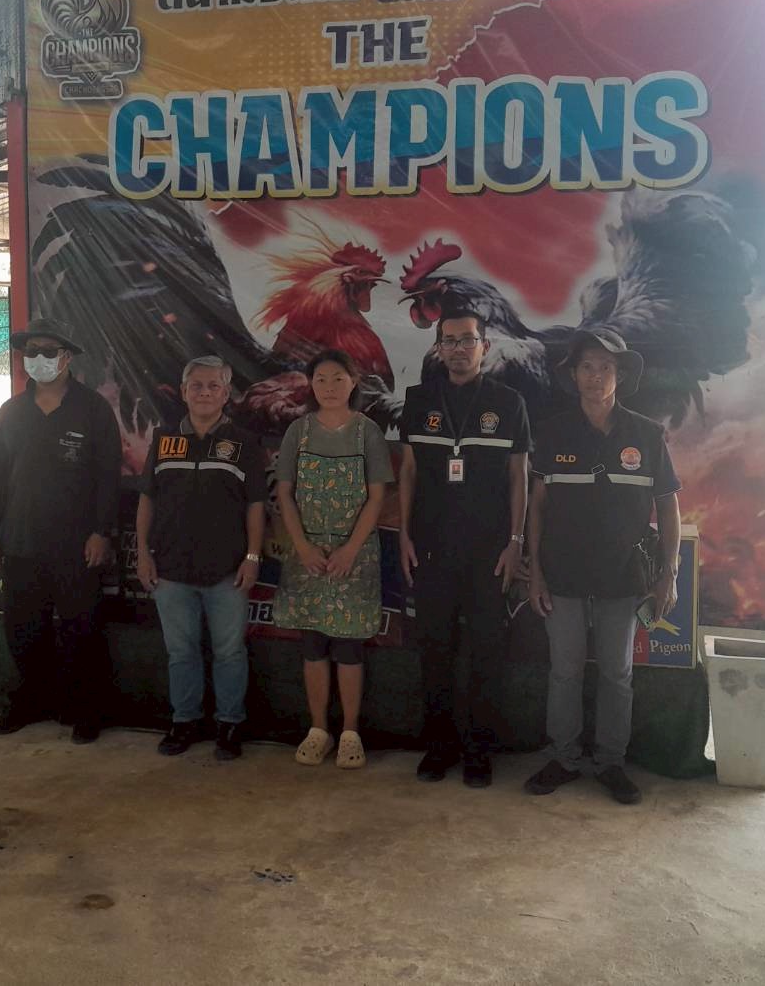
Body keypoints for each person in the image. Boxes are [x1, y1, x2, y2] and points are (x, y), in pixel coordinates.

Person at [524, 331, 682, 805]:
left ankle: (611, 762)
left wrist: (668, 574)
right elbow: (536, 506)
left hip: (623, 575)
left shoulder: (647, 434)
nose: (596, 376)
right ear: (573, 375)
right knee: (565, 671)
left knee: (617, 672)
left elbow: (668, 508)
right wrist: (536, 572)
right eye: (588, 367)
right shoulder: (552, 432)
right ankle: (564, 757)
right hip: (562, 574)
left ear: (621, 375)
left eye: (606, 367)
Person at [398, 310, 530, 788]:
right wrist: (404, 534)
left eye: (467, 340)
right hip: (431, 549)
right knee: (434, 651)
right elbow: (408, 470)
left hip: (490, 553)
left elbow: (519, 477)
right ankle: (438, 748)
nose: (458, 348)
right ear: (438, 348)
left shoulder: (508, 402)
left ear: (484, 347)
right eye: (449, 340)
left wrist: (515, 542)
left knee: (486, 653)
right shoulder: (419, 400)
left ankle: (479, 752)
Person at [0, 318, 121, 743]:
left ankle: (86, 709)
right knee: (23, 628)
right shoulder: (11, 412)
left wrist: (101, 532)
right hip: (20, 539)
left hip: (77, 544)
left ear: (67, 357)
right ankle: (31, 700)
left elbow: (108, 478)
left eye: (47, 351)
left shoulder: (94, 409)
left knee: (82, 627)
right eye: (31, 351)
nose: (38, 358)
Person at [136, 356, 267, 761]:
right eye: (197, 385)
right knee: (181, 652)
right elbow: (147, 499)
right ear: (183, 391)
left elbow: (256, 505)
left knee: (229, 652)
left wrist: (252, 556)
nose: (205, 393)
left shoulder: (244, 442)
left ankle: (230, 724)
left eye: (214, 386)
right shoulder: (163, 439)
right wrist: (142, 553)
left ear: (226, 394)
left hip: (227, 570)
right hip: (170, 569)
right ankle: (185, 721)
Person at [273, 350, 393, 770]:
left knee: (349, 646)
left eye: (337, 378)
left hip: (353, 559)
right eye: (320, 379)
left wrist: (349, 549)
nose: (329, 387)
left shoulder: (368, 433)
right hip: (307, 558)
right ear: (310, 384)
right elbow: (284, 493)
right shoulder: (298, 431)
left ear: (353, 382)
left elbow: (377, 497)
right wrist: (303, 547)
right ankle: (318, 729)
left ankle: (350, 733)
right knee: (313, 645)